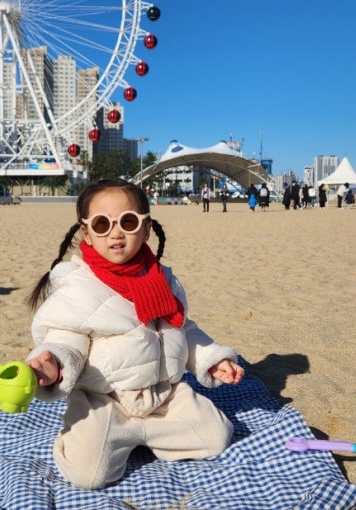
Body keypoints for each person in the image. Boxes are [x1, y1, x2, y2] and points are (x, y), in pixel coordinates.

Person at [24, 179, 244, 490]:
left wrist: (213, 359)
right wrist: (53, 362)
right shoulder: (78, 287)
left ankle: (143, 436)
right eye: (102, 224)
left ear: (146, 228)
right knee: (89, 475)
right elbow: (66, 340)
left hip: (162, 395)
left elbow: (183, 328)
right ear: (86, 232)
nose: (116, 233)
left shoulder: (162, 279)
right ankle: (102, 435)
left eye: (128, 222)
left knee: (217, 435)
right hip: (106, 400)